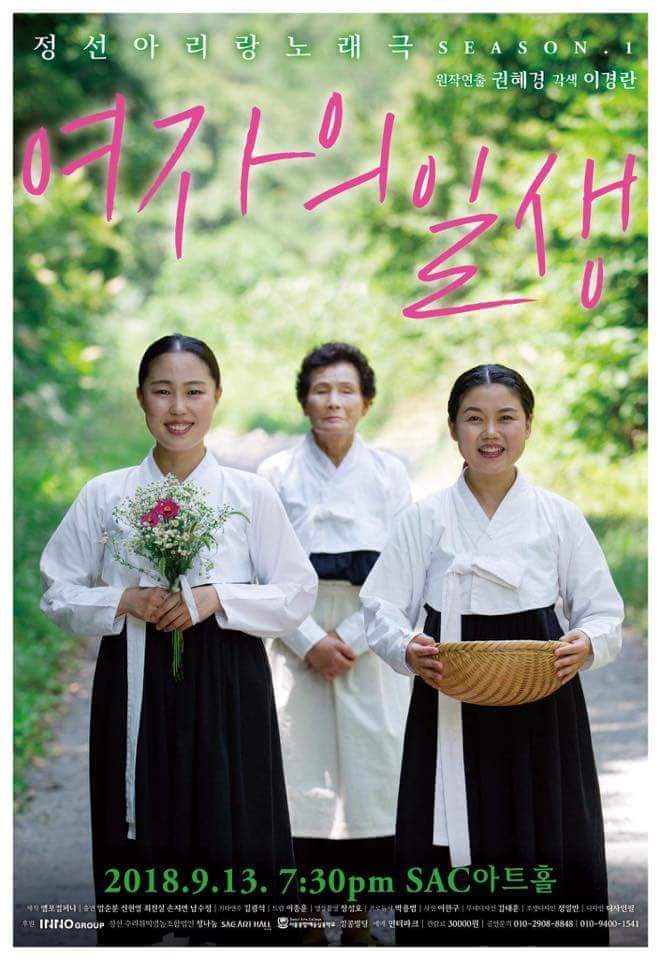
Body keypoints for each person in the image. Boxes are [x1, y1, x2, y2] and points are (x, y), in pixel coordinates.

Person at [40, 333, 318, 946]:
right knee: (141, 831)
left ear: (217, 396)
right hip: (135, 681)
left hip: (230, 685)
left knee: (233, 829)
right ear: (140, 397)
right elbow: (57, 591)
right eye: (162, 391)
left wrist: (220, 597)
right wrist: (124, 600)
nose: (178, 407)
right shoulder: (106, 494)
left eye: (194, 391)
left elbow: (298, 592)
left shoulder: (248, 495)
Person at [360, 363, 624, 947]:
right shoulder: (425, 518)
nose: (490, 433)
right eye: (474, 418)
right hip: (449, 698)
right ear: (453, 428)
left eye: (506, 418)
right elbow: (379, 607)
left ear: (528, 425)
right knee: (450, 837)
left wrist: (587, 644)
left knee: (545, 835)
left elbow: (603, 610)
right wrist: (406, 647)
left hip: (542, 700)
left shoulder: (558, 516)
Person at [258, 342, 412, 946]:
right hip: (294, 635)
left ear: (366, 402)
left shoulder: (390, 474)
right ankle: (302, 919)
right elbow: (260, 569)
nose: (333, 402)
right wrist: (306, 641)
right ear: (304, 401)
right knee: (298, 771)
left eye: (347, 390)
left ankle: (356, 919)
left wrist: (349, 638)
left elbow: (404, 569)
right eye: (321, 390)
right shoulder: (274, 474)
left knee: (371, 777)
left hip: (367, 637)